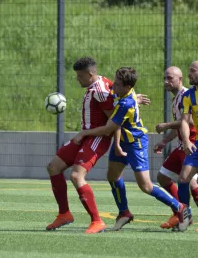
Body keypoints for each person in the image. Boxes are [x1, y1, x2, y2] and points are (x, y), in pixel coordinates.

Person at [72, 66, 189, 232]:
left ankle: (180, 208)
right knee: (112, 176)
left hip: (136, 144)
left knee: (146, 185)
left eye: (118, 85)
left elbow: (108, 128)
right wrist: (118, 144)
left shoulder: (125, 103)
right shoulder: (125, 95)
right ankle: (124, 213)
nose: (113, 87)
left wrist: (83, 133)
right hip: (123, 143)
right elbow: (117, 124)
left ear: (127, 87)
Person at [46, 57, 150, 234]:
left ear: (90, 73)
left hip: (96, 138)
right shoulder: (101, 85)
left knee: (77, 176)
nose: (77, 79)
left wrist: (116, 143)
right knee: (54, 167)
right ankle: (64, 214)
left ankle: (97, 221)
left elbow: (114, 120)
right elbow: (119, 100)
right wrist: (135, 98)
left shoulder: (100, 90)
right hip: (85, 136)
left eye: (80, 76)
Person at [154, 66, 198, 229]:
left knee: (190, 182)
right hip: (182, 145)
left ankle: (183, 214)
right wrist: (165, 141)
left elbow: (190, 121)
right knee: (163, 177)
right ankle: (180, 212)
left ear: (180, 79)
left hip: (191, 143)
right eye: (165, 78)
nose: (166, 81)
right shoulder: (179, 98)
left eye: (170, 78)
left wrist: (167, 125)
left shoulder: (186, 96)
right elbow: (181, 126)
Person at [177, 61, 198, 232]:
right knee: (183, 178)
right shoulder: (188, 95)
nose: (189, 74)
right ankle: (185, 215)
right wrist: (186, 141)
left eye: (192, 71)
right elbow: (184, 121)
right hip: (196, 143)